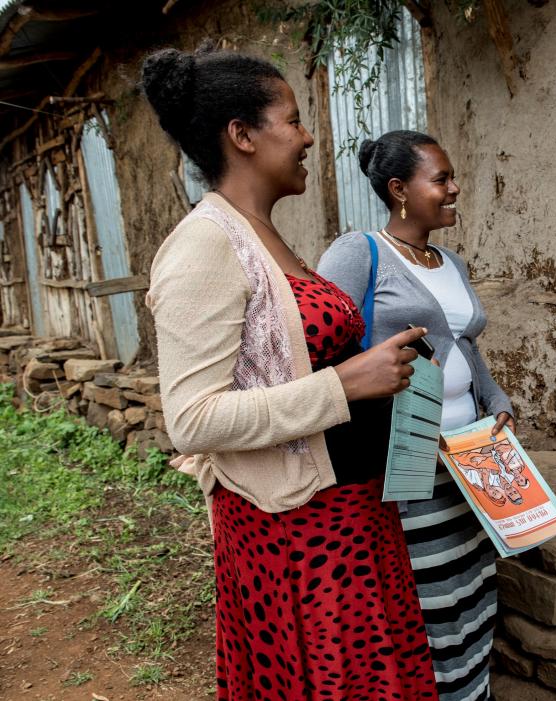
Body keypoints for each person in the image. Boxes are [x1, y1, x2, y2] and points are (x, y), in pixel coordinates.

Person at [141, 46, 438, 700]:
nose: (309, 137)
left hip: (352, 516)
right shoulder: (204, 245)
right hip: (299, 537)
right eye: (293, 120)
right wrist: (347, 384)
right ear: (241, 135)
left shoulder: (264, 234)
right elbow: (191, 420)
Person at [318, 130, 513, 701]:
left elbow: (464, 345)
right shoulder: (360, 253)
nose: (454, 188)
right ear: (399, 189)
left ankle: (473, 688)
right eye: (442, 179)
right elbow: (328, 346)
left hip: (473, 451)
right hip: (407, 458)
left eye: (452, 178)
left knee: (474, 580)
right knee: (430, 594)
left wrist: (496, 401)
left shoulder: (449, 259)